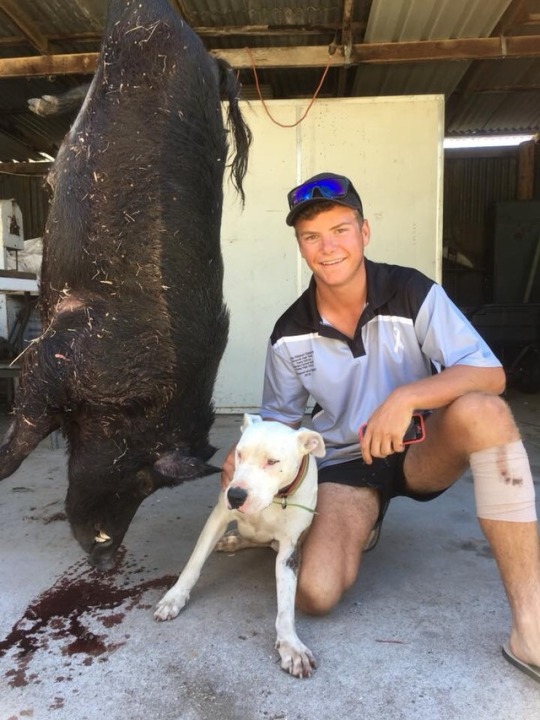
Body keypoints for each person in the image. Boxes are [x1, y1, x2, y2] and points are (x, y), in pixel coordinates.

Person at [221, 171, 540, 683]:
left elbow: (491, 373)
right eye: (311, 236)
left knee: (485, 409)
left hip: (421, 448)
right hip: (348, 464)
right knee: (316, 595)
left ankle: (531, 627)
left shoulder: (412, 291)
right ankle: (360, 522)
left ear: (364, 232)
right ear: (299, 246)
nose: (328, 247)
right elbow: (277, 425)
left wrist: (408, 396)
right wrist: (244, 467)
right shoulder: (288, 333)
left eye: (340, 230)